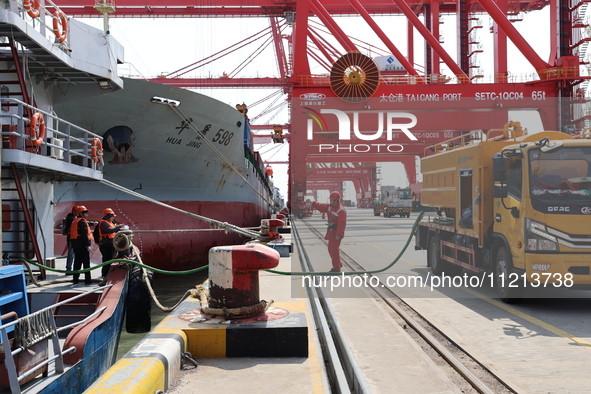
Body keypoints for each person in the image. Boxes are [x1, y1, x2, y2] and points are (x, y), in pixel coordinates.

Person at [311, 191, 347, 272]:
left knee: (334, 250)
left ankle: (336, 268)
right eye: (330, 200)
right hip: (331, 232)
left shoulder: (341, 211)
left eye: (333, 200)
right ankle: (338, 263)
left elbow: (342, 224)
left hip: (336, 233)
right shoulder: (330, 207)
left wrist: (339, 234)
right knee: (330, 249)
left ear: (337, 201)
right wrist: (313, 203)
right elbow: (322, 207)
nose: (331, 202)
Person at [69, 205, 93, 285]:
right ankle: (88, 280)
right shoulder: (82, 222)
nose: (87, 215)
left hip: (76, 245)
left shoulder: (75, 221)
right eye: (85, 213)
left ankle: (75, 280)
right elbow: (84, 235)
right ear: (81, 213)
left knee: (77, 263)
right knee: (86, 264)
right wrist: (87, 245)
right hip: (82, 246)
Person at [97, 208, 123, 278]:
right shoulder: (103, 223)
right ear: (108, 216)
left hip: (111, 244)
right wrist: (118, 227)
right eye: (112, 216)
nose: (113, 218)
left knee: (110, 259)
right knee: (107, 259)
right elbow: (110, 230)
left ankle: (107, 274)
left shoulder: (110, 223)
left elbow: (113, 230)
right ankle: (105, 274)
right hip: (106, 244)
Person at [63, 205, 78, 274]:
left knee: (73, 254)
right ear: (74, 211)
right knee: (71, 254)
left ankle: (71, 268)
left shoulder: (75, 217)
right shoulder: (70, 218)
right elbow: (77, 223)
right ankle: (68, 269)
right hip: (71, 238)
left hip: (74, 238)